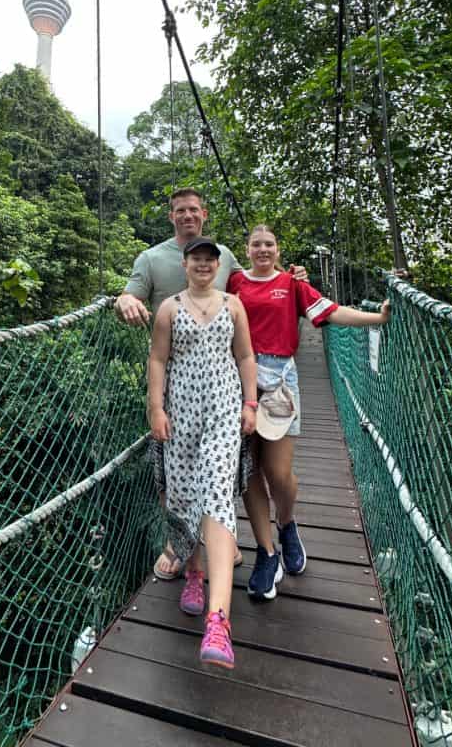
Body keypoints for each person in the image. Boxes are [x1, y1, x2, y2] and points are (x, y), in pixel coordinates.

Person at [114, 188, 308, 579]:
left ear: (204, 214)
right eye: (180, 210)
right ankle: (179, 540)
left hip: (223, 380)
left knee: (228, 464)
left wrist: (292, 281)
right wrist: (124, 299)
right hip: (174, 379)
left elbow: (255, 285)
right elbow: (130, 295)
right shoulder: (150, 259)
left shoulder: (224, 255)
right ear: (172, 216)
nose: (187, 216)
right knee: (169, 466)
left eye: (194, 210)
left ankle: (229, 534)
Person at [227, 224, 391, 600]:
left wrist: (376, 319)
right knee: (249, 471)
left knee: (279, 473)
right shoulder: (234, 281)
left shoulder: (293, 285)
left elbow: (332, 313)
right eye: (256, 244)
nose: (263, 250)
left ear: (278, 249)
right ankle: (266, 554)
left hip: (280, 381)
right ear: (247, 249)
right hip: (235, 376)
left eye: (269, 244)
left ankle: (286, 524)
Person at [148, 236, 258, 669]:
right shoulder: (169, 308)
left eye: (210, 259)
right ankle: (192, 573)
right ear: (185, 263)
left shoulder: (233, 304)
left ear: (218, 265)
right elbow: (158, 360)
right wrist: (156, 408)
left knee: (215, 495)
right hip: (181, 413)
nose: (204, 264)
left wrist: (250, 403)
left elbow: (245, 355)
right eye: (196, 258)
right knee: (182, 496)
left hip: (223, 411)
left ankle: (218, 620)